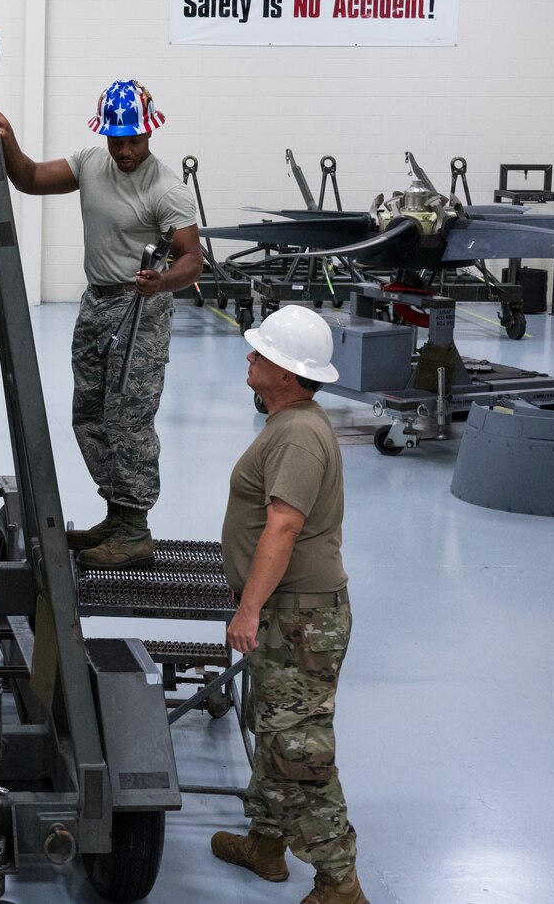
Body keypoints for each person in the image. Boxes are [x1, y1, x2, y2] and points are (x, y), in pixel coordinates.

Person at [0, 80, 202, 568]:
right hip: (96, 305)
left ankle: (135, 532)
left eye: (134, 140)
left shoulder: (167, 189)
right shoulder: (90, 162)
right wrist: (6, 138)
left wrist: (162, 281)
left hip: (140, 309)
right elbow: (27, 178)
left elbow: (193, 261)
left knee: (127, 420)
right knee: (88, 416)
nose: (126, 150)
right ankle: (116, 514)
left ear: (149, 134)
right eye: (117, 139)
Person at [212, 305, 365, 904]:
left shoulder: (299, 434)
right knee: (275, 728)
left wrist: (248, 610)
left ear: (287, 372)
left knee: (299, 747)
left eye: (260, 352)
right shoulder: (290, 422)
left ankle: (339, 882)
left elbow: (283, 526)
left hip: (298, 617)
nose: (249, 356)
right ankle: (267, 843)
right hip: (291, 614)